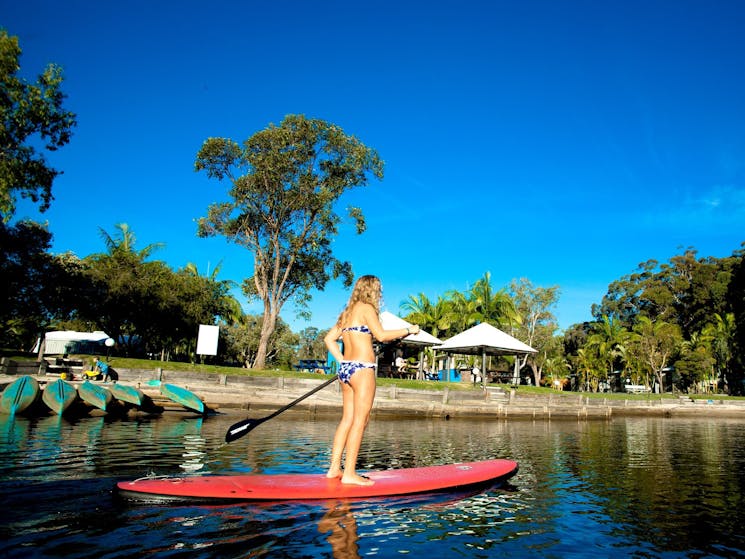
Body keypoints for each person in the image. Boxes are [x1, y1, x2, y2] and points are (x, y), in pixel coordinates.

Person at [323, 275, 420, 486]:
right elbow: (382, 335)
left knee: (346, 419)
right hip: (363, 369)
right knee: (360, 421)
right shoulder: (366, 309)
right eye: (379, 289)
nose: (381, 293)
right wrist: (408, 330)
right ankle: (349, 473)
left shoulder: (347, 313)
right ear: (371, 290)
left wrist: (342, 361)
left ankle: (333, 469)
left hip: (347, 369)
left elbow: (329, 339)